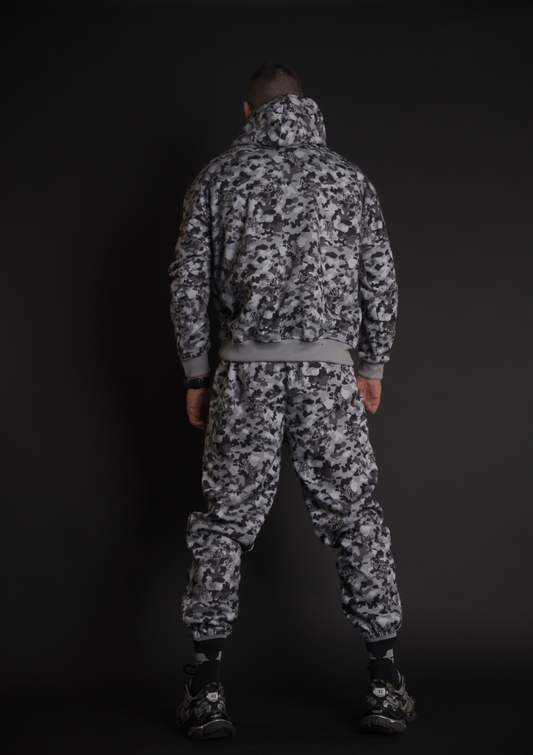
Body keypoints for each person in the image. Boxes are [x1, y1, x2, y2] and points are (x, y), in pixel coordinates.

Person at [169, 62, 416, 740]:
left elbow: (187, 283)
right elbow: (380, 279)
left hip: (242, 377)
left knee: (224, 522)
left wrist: (197, 374)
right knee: (354, 516)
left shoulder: (217, 178)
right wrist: (370, 362)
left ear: (247, 112)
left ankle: (207, 686)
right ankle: (385, 680)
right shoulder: (349, 179)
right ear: (308, 108)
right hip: (328, 378)